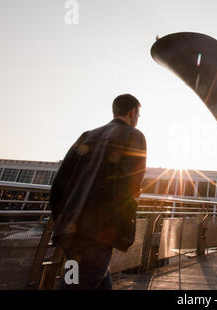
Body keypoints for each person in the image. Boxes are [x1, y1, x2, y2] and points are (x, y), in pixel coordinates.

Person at [50, 94, 147, 290]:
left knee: (89, 277)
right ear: (132, 112)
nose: (138, 119)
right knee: (78, 281)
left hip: (72, 228)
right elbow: (129, 184)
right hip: (98, 232)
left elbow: (59, 183)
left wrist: (64, 218)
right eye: (138, 114)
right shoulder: (134, 136)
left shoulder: (87, 135)